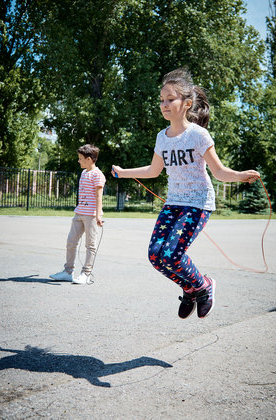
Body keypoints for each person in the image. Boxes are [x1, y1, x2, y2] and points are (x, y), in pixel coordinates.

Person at [111, 68, 260, 319]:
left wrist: (239, 175)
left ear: (187, 103)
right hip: (173, 204)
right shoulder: (162, 137)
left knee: (172, 254)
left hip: (198, 204)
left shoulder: (198, 135)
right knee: (155, 255)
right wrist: (123, 172)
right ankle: (189, 288)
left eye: (170, 99)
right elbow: (154, 170)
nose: (164, 104)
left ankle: (203, 286)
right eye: (161, 100)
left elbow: (219, 171)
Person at [50, 144, 106, 284]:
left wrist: (98, 215)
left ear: (89, 159)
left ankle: (86, 274)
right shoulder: (84, 173)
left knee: (90, 245)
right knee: (71, 242)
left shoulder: (98, 175)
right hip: (79, 213)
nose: (78, 161)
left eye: (80, 158)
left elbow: (99, 197)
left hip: (91, 216)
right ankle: (68, 272)